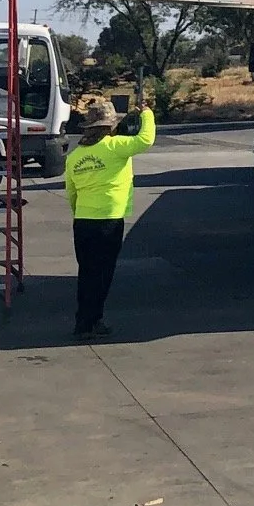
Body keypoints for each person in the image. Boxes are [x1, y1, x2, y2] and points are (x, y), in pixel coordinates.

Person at [64, 93, 156, 341]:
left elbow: (71, 193)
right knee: (102, 274)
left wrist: (80, 214)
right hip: (108, 221)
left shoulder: (74, 158)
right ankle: (91, 323)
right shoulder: (116, 148)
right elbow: (146, 139)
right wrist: (146, 112)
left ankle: (84, 320)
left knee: (87, 273)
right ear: (110, 126)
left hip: (83, 222)